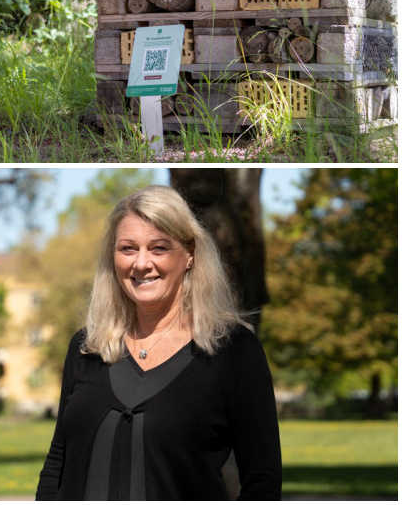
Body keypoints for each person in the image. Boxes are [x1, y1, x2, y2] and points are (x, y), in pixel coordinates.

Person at [36, 185, 281, 500]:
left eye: (159, 248)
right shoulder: (87, 347)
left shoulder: (233, 350)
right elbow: (58, 460)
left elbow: (263, 479)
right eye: (127, 248)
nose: (141, 263)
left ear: (189, 254)